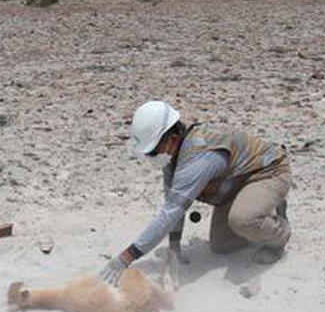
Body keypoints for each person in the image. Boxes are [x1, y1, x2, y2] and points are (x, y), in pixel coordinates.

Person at [99, 100, 291, 288]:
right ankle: (258, 212)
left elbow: (170, 213)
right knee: (221, 246)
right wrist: (174, 249)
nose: (151, 157)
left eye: (152, 152)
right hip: (235, 184)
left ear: (172, 139)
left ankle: (279, 235)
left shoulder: (197, 159)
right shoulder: (172, 157)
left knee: (242, 220)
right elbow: (173, 205)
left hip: (268, 172)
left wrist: (126, 257)